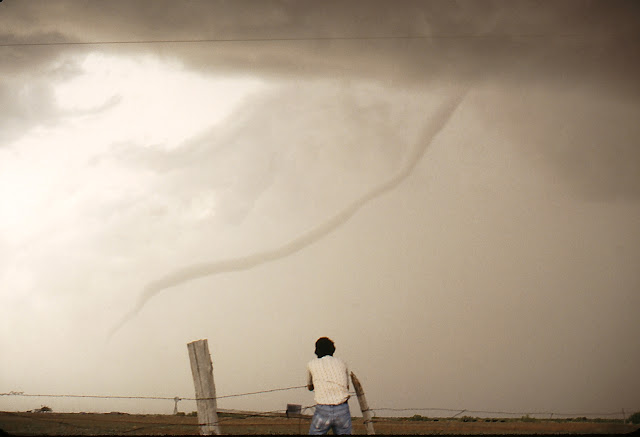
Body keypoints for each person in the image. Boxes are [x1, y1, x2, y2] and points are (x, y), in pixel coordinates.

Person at [306, 337, 352, 435]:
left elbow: (310, 387)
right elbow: (346, 387)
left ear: (316, 350)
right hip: (342, 407)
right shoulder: (342, 363)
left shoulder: (311, 364)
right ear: (332, 350)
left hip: (323, 409)